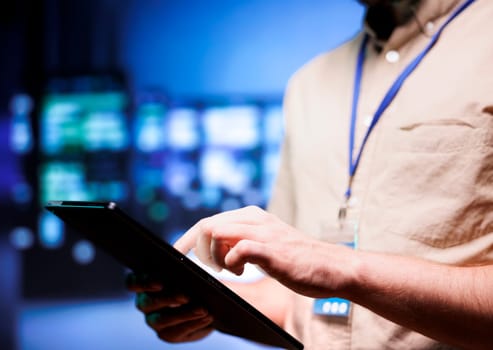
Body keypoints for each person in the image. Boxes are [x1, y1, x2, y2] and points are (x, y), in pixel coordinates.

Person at [127, 0, 493, 349]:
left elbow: (328, 271)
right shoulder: (308, 84)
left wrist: (341, 267)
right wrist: (203, 304)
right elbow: (297, 304)